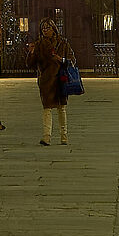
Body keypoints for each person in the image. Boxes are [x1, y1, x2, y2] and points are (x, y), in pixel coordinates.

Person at [28, 16, 75, 146]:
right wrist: (31, 53)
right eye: (43, 28)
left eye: (47, 27)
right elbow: (30, 64)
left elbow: (72, 60)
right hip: (46, 81)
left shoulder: (63, 43)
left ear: (54, 29)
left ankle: (64, 135)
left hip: (61, 80)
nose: (45, 30)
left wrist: (62, 60)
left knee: (61, 108)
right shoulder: (39, 45)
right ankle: (47, 136)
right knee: (47, 109)